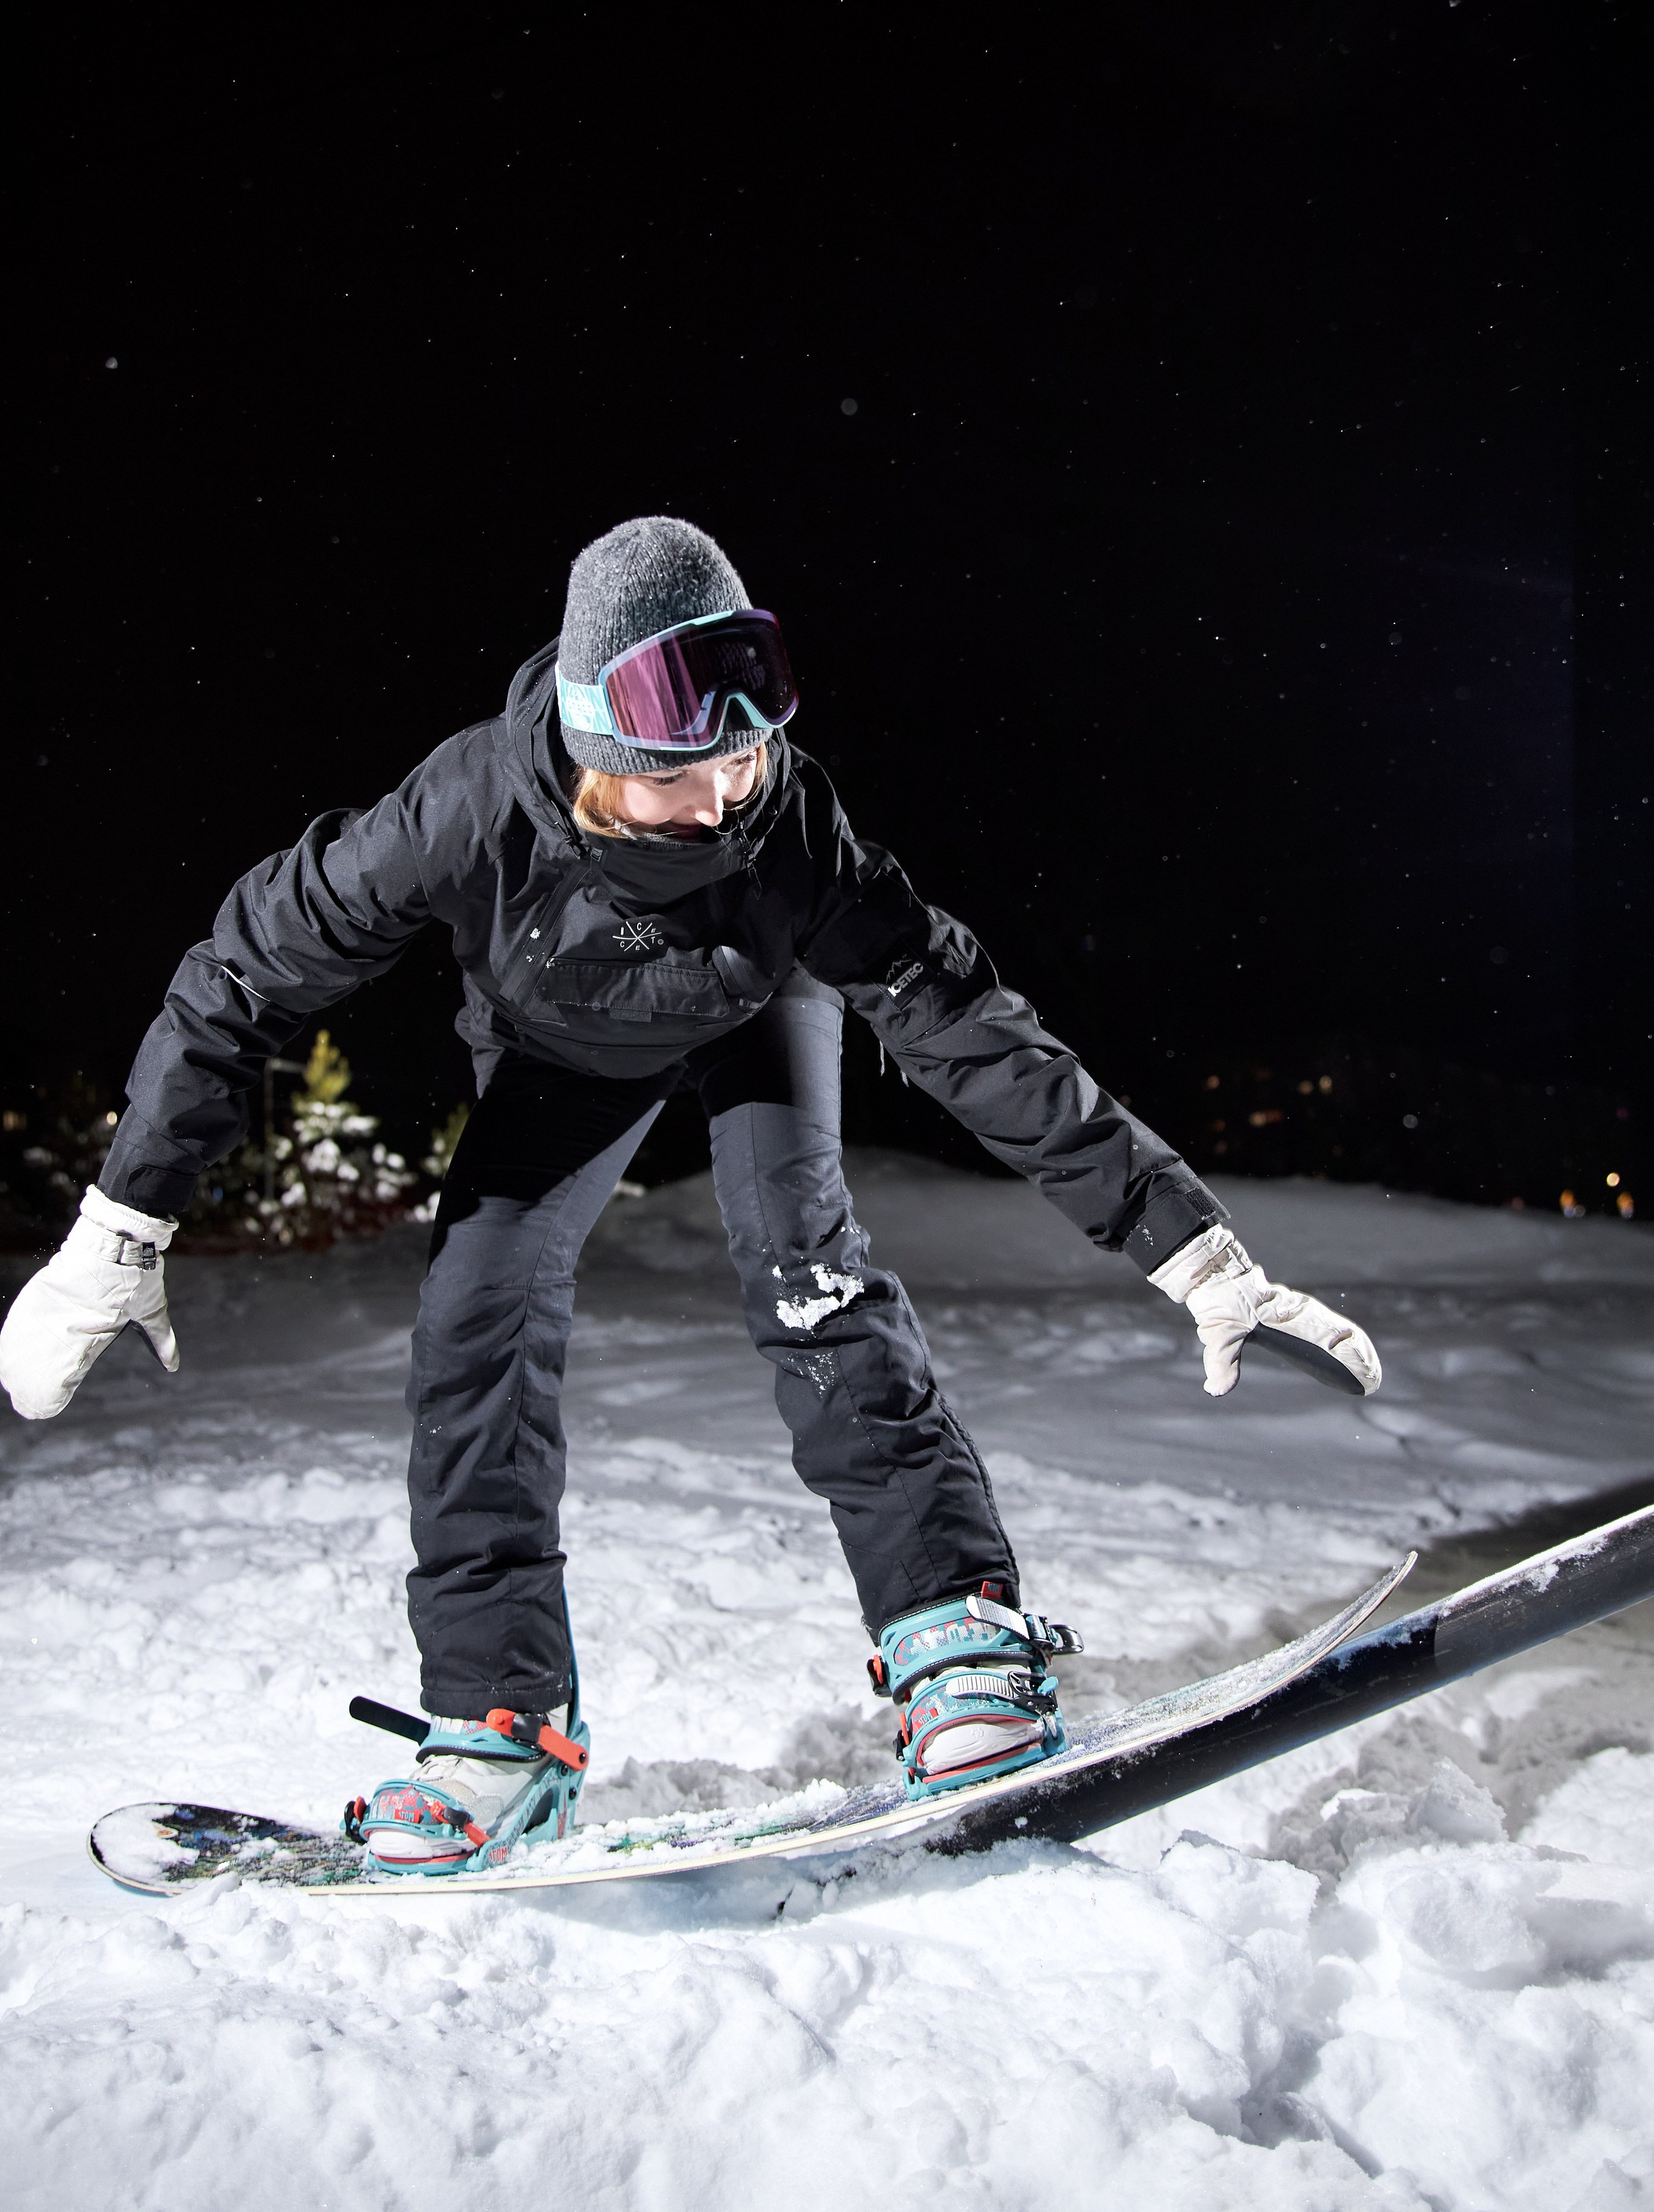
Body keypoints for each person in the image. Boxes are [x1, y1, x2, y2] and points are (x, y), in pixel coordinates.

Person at [0, 517, 1380, 1874]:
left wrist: (1189, 1247)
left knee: (806, 1269)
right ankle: (501, 1723)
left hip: (754, 1015)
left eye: (744, 754)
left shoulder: (794, 833)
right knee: (474, 1316)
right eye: (679, 773)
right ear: (597, 759)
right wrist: (121, 1224)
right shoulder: (460, 813)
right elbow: (241, 976)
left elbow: (970, 1029)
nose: (722, 798)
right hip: (555, 1056)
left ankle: (952, 1630)